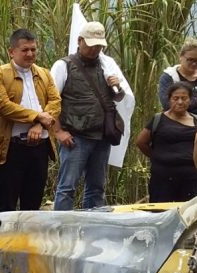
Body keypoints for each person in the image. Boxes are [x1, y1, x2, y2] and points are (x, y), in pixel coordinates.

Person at [50, 21, 130, 210]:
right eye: (91, 45)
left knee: (96, 188)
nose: (95, 49)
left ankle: (92, 225)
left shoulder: (107, 65)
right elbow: (51, 101)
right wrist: (58, 132)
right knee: (67, 187)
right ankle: (61, 226)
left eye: (99, 46)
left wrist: (116, 86)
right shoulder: (63, 65)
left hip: (102, 137)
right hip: (75, 137)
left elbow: (118, 97)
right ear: (80, 41)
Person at [0, 28, 61, 212]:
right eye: (25, 50)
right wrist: (37, 116)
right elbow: (3, 105)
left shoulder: (44, 74)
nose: (30, 54)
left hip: (40, 148)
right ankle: (5, 233)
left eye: (33, 49)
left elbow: (56, 102)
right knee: (6, 205)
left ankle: (29, 233)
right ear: (11, 51)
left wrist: (39, 125)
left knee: (32, 205)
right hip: (12, 149)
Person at [136, 82, 197, 202]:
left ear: (190, 100)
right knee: (160, 211)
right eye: (175, 98)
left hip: (190, 178)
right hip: (162, 179)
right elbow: (141, 142)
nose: (180, 102)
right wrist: (158, 156)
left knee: (187, 211)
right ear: (169, 100)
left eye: (184, 98)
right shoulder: (158, 119)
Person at [158, 38, 197, 123]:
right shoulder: (168, 77)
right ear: (180, 56)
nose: (194, 63)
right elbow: (167, 105)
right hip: (175, 126)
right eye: (190, 59)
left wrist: (183, 111)